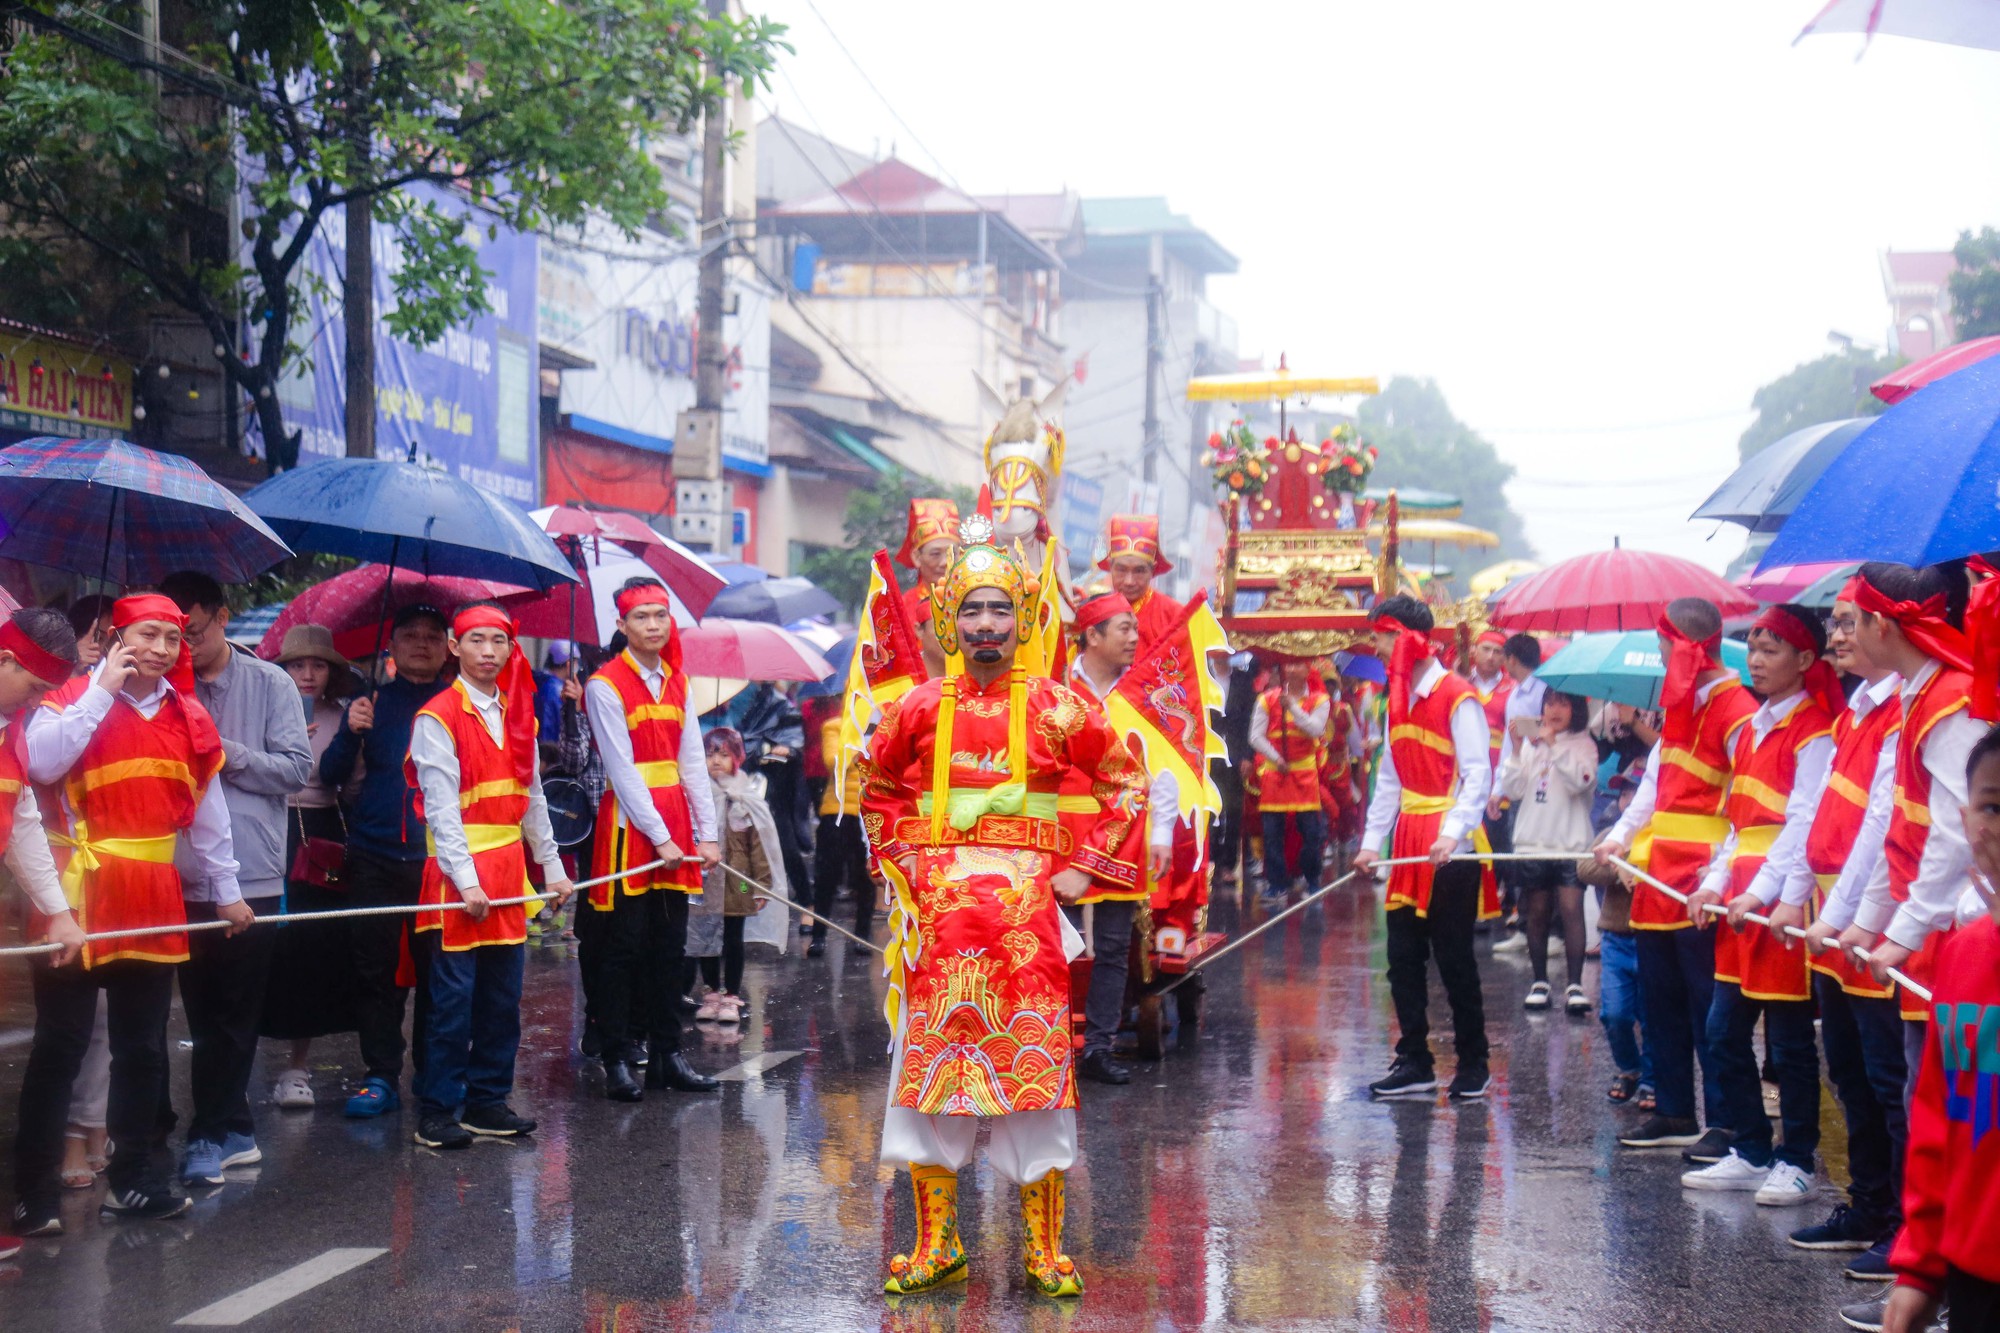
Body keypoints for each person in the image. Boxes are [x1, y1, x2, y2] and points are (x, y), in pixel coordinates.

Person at [859, 507, 1149, 1298]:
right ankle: (937, 1245)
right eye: (972, 608)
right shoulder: (916, 708)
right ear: (950, 618)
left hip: (1025, 932)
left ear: (1023, 619)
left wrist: (1084, 868)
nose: (986, 623)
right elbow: (876, 791)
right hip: (943, 932)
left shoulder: (1062, 707)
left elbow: (1127, 782)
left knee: (1034, 1082)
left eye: (1000, 608)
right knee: (930, 1083)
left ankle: (1045, 1249)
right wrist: (902, 874)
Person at [19, 595, 241, 1226]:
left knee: (143, 1046)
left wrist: (226, 890)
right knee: (59, 1044)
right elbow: (41, 762)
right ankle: (32, 1192)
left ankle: (135, 1177)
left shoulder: (191, 717)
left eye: (172, 640)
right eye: (148, 635)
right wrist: (99, 692)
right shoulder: (63, 699)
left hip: (151, 894)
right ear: (118, 637)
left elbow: (210, 813)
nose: (161, 650)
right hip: (72, 895)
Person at [1678, 604, 1837, 1205]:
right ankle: (1750, 1148)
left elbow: (1802, 824)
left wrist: (1762, 892)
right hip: (1742, 904)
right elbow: (1735, 824)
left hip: (1780, 902)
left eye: (1773, 650)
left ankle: (1796, 1159)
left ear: (1804, 661)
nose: (1759, 659)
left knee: (1791, 1042)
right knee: (1722, 1032)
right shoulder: (1752, 730)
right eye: (1755, 647)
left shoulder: (1816, 731)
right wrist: (1715, 884)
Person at [160, 571, 314, 1189]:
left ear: (222, 618)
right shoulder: (160, 686)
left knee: (236, 1009)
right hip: (175, 871)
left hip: (251, 870)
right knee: (200, 1011)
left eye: (192, 633)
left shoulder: (269, 682)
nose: (183, 647)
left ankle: (207, 1134)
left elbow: (296, 770)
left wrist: (225, 752)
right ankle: (236, 1126)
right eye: (172, 635)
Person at [405, 602, 574, 1149]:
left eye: (497, 642)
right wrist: (465, 879)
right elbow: (440, 808)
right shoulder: (437, 716)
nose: (486, 652)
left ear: (510, 649)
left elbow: (532, 797)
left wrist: (550, 865)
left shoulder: (518, 712)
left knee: (502, 998)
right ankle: (436, 1108)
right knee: (452, 1001)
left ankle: (487, 1101)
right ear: (455, 648)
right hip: (460, 877)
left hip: (506, 873)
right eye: (475, 640)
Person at [1595, 597, 1756, 1151]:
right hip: (1659, 875)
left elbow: (1746, 807)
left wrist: (1718, 877)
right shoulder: (1682, 706)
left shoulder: (1738, 712)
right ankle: (1673, 1111)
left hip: (1700, 885)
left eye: (1665, 648)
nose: (1661, 660)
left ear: (1687, 647)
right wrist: (1618, 835)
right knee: (1659, 1002)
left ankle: (1724, 1121)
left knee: (1706, 1007)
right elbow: (1654, 785)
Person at [1790, 584, 1909, 1272]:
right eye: (1832, 623)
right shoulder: (1852, 714)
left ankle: (1902, 1222)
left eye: (1847, 622)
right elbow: (1818, 817)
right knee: (1852, 1071)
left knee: (1889, 1075)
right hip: (1843, 924)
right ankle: (1868, 1204)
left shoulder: (1903, 710)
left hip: (1878, 919)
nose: (1835, 636)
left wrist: (1849, 918)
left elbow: (1880, 824)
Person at [1878, 724, 2000, 1333]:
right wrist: (1921, 1268)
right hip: (1978, 1267)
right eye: (1993, 805)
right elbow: (1938, 1123)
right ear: (1966, 818)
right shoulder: (1964, 952)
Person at [582, 578, 721, 1102]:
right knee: (622, 948)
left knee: (669, 947)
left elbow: (691, 762)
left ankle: (668, 1055)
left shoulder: (679, 681)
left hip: (675, 826)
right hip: (630, 830)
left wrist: (705, 835)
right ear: (622, 626)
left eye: (660, 615)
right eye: (641, 617)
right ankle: (617, 1056)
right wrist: (661, 837)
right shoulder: (604, 684)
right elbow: (621, 771)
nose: (653, 626)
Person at [1355, 595, 1493, 1100]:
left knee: (1455, 959)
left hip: (1447, 845)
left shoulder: (1458, 695)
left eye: (1385, 636)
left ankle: (1474, 1062)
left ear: (1409, 639)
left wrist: (1453, 832)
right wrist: (1372, 844)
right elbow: (1388, 781)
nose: (1378, 645)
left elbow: (1478, 774)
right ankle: (1414, 1059)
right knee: (1402, 957)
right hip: (1409, 839)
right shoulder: (1394, 697)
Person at [317, 602, 451, 1119]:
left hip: (437, 857)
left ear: (448, 647)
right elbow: (328, 775)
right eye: (410, 634)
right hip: (373, 854)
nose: (421, 643)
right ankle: (380, 1074)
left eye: (432, 635)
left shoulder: (459, 703)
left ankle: (434, 1072)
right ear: (390, 647)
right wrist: (351, 729)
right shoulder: (368, 702)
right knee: (375, 971)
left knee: (438, 970)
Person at [1062, 587, 1178, 1085]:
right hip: (1061, 831)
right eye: (1125, 628)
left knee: (1112, 946)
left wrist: (1164, 832)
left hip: (1123, 829)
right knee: (1055, 942)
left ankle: (1099, 1048)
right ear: (1092, 636)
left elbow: (1167, 766)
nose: (1136, 636)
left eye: (1136, 626)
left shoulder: (1144, 695)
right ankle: (1050, 1042)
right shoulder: (1056, 688)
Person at [0, 610, 85, 1246]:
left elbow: (24, 819)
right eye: (33, 687)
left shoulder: (12, 733)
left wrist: (58, 911)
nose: (39, 702)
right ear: (5, 662)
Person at [260, 624, 359, 1111]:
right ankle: (239, 1053)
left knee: (311, 948)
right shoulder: (263, 711)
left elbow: (352, 783)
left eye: (317, 665)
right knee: (261, 943)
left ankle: (297, 1066)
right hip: (270, 828)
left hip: (320, 833)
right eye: (297, 665)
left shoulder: (344, 717)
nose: (307, 674)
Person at [1498, 689, 1597, 1012]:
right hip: (1533, 842)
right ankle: (1539, 982)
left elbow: (1580, 781)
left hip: (1570, 843)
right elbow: (1513, 790)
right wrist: (1515, 749)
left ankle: (1574, 985)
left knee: (1571, 910)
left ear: (1576, 709)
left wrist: (1553, 746)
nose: (1554, 710)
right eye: (1549, 703)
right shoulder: (1530, 747)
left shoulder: (1584, 745)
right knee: (1536, 913)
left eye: (1563, 703)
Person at [695, 727, 786, 1024]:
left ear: (737, 758)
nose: (717, 761)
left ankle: (732, 993)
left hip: (741, 883)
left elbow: (759, 845)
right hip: (706, 881)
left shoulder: (745, 798)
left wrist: (759, 886)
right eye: (710, 755)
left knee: (734, 937)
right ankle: (710, 991)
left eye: (724, 754)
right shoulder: (697, 794)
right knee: (706, 937)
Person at [1249, 658, 1329, 899]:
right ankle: (1277, 883)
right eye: (1289, 664)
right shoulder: (1266, 699)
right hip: (1276, 772)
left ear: (1308, 669)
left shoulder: (1320, 700)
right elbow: (1256, 736)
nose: (1293, 669)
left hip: (1304, 773)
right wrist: (1275, 757)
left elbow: (1316, 730)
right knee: (1272, 832)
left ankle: (1312, 878)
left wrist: (1292, 707)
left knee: (1311, 832)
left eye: (1299, 664)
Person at [808, 701, 874, 959]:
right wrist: (860, 749)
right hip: (837, 811)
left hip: (870, 810)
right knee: (827, 876)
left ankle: (862, 935)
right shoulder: (835, 727)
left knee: (865, 876)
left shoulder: (885, 727)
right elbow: (833, 762)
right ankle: (818, 935)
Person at [1099, 513, 1183, 650]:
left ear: (1153, 570)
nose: (1129, 581)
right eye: (1121, 570)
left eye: (1139, 571)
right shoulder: (1096, 612)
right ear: (1110, 567)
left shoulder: (1174, 616)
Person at [899, 497, 959, 678]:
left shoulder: (971, 601)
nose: (944, 563)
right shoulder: (902, 607)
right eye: (935, 554)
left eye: (951, 554)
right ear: (917, 557)